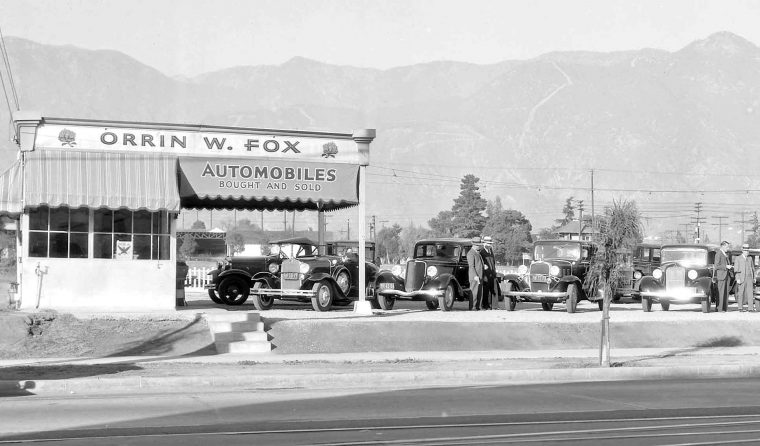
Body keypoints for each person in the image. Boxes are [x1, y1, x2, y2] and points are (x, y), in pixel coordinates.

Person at [733, 243, 756, 312]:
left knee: (750, 293)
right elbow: (736, 270)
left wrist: (754, 278)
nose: (747, 252)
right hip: (741, 278)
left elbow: (753, 268)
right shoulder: (738, 258)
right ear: (742, 251)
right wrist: (737, 278)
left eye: (747, 250)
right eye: (745, 250)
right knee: (741, 293)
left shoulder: (750, 258)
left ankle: (750, 308)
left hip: (749, 278)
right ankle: (740, 307)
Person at [466, 236, 485, 311]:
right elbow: (471, 266)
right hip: (475, 276)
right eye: (478, 245)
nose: (479, 246)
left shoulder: (477, 252)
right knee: (474, 292)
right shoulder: (471, 253)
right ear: (474, 245)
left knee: (480, 292)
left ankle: (478, 306)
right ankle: (473, 307)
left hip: (480, 275)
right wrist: (475, 275)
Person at [480, 236, 498, 310]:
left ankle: (494, 306)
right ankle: (485, 305)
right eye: (488, 243)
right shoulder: (482, 252)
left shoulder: (491, 251)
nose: (490, 245)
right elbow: (481, 262)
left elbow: (493, 262)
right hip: (486, 274)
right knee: (486, 290)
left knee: (494, 289)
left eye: (490, 243)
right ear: (484, 243)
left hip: (492, 273)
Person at [714, 241, 732, 312]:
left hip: (726, 276)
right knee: (721, 293)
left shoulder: (725, 254)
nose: (728, 248)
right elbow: (716, 266)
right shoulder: (718, 254)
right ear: (723, 246)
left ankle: (724, 308)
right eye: (727, 247)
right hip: (721, 276)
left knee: (725, 293)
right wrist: (726, 266)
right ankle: (719, 308)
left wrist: (729, 266)